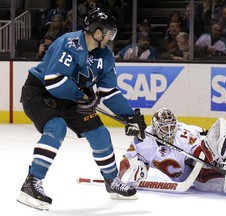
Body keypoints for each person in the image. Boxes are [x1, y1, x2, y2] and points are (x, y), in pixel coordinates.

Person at [17, 7, 147, 211]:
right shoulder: (69, 43)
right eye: (109, 32)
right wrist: (84, 96)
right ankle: (31, 183)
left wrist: (129, 115)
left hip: (72, 97)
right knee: (56, 127)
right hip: (41, 92)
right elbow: (54, 81)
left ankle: (112, 182)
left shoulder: (106, 57)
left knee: (100, 133)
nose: (111, 36)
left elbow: (109, 91)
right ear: (97, 32)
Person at [118, 108, 226, 195]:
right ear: (156, 127)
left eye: (172, 126)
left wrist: (198, 156)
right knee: (217, 181)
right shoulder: (143, 140)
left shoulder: (184, 132)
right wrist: (117, 177)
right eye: (166, 127)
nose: (170, 131)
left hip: (200, 166)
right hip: (189, 178)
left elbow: (206, 140)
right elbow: (127, 159)